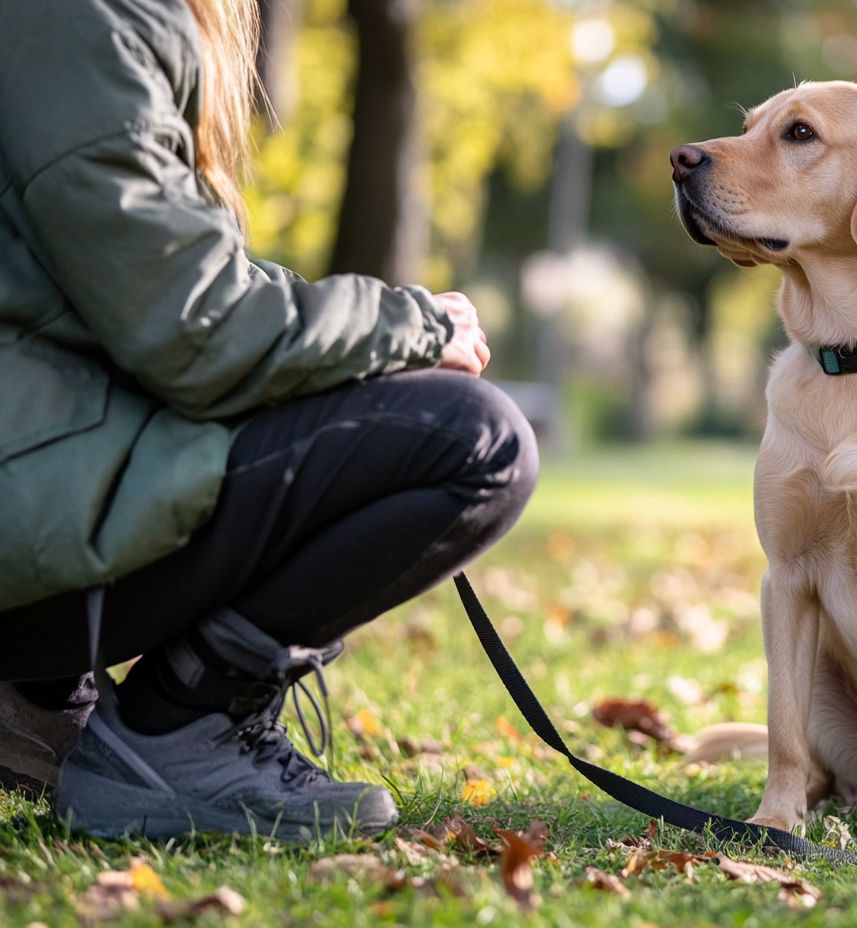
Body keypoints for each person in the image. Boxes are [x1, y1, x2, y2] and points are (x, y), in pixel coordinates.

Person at [0, 0, 537, 841]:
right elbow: (193, 326)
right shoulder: (80, 18)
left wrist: (371, 338)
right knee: (475, 442)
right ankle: (177, 728)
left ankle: (37, 698)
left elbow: (119, 292)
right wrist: (411, 328)